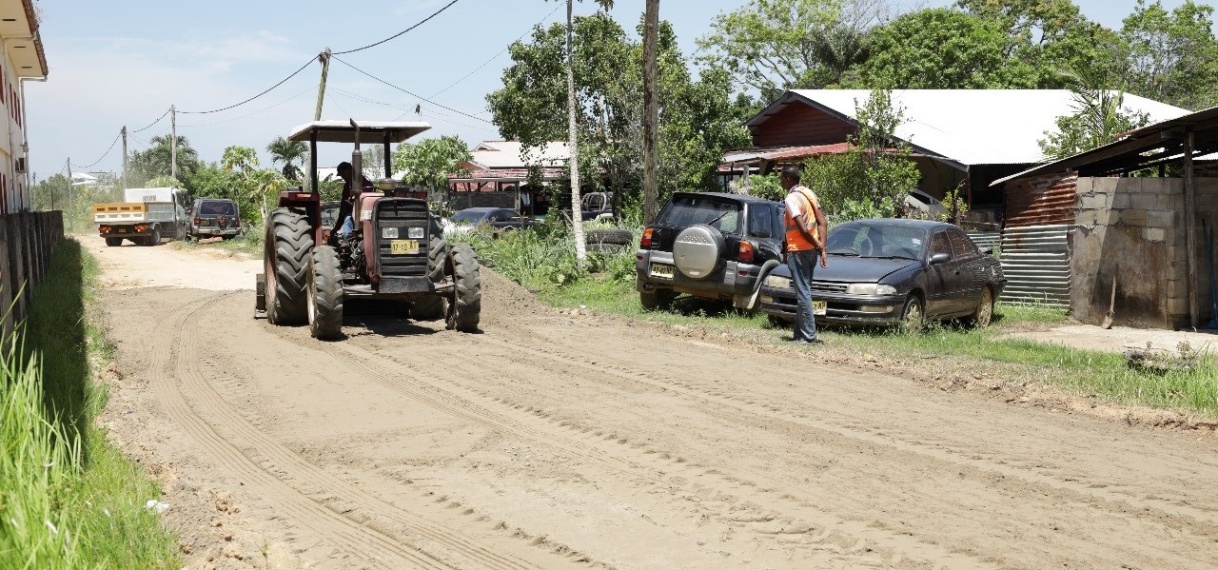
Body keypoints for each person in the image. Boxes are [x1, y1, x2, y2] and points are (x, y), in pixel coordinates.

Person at [780, 164, 829, 344]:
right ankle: (799, 334)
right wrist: (822, 248)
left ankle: (809, 336)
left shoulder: (791, 199)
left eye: (781, 178)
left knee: (803, 293)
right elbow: (822, 222)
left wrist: (818, 245)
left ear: (787, 179)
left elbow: (801, 228)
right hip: (810, 252)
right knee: (804, 291)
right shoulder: (809, 194)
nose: (780, 182)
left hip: (799, 250)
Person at [331, 161, 374, 239]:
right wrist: (336, 228)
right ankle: (348, 240)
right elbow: (343, 208)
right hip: (353, 214)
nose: (343, 177)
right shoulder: (347, 186)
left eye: (343, 174)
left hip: (367, 213)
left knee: (348, 219)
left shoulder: (366, 184)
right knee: (348, 219)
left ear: (348, 171)